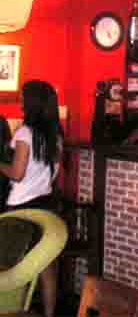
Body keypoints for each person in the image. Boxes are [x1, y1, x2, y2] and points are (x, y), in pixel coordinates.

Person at [0, 81, 63, 317]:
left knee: (16, 267)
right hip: (46, 206)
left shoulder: (24, 133)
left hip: (21, 208)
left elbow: (17, 173)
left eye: (23, 97)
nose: (20, 102)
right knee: (46, 267)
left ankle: (13, 312)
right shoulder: (55, 135)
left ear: (31, 102)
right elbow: (54, 174)